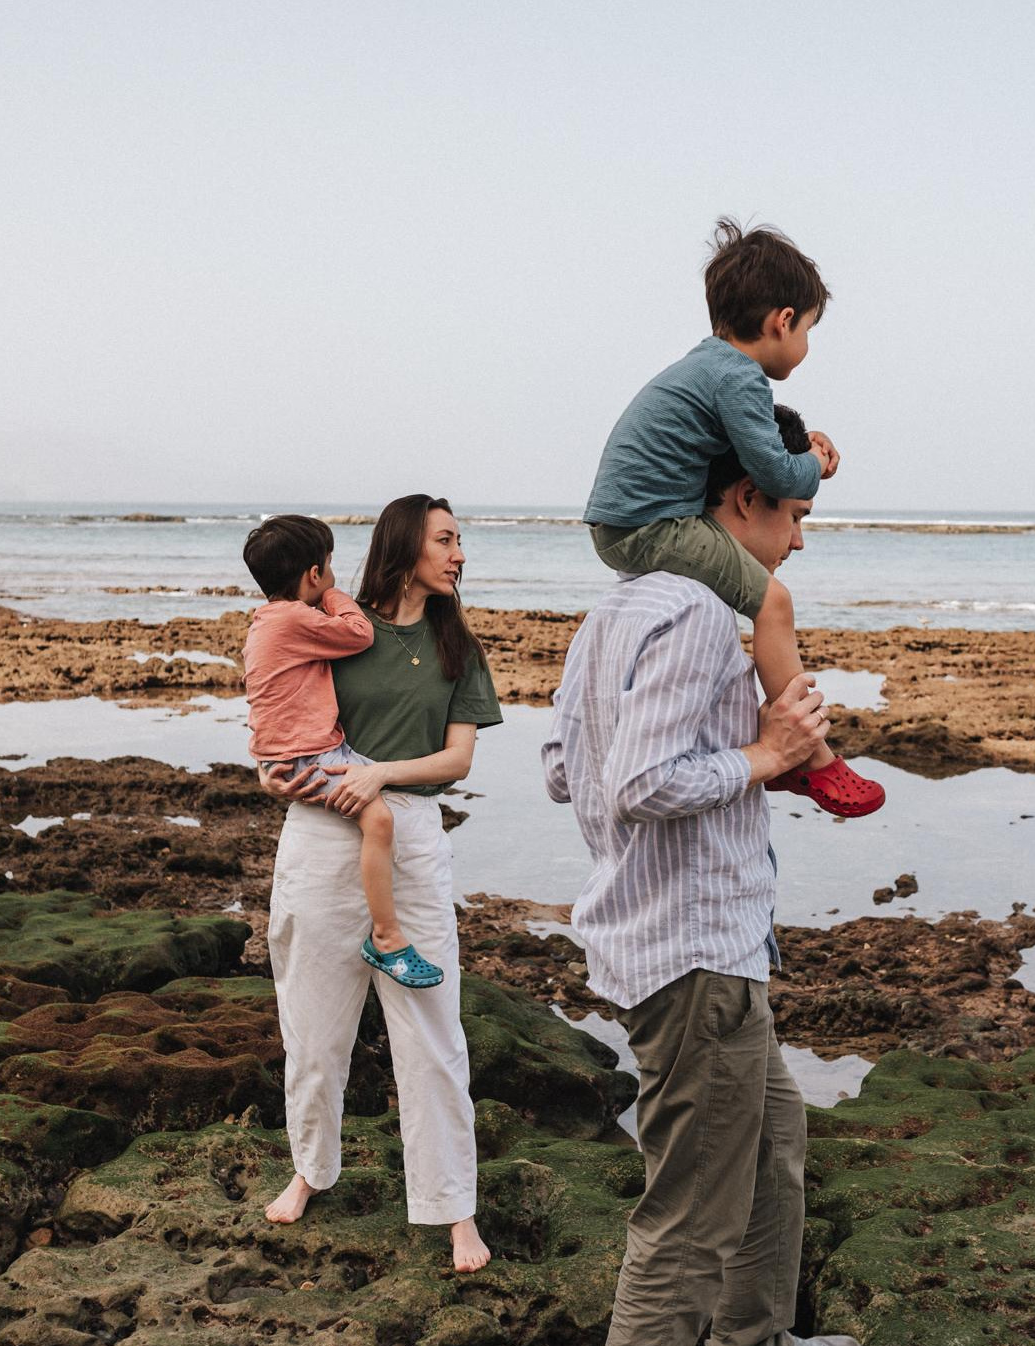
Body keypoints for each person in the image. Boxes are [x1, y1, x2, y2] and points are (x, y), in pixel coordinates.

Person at [543, 424, 833, 1345]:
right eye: (793, 513)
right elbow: (640, 783)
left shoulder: (616, 608)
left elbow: (563, 767)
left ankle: (758, 1335)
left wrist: (733, 736)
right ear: (742, 499)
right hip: (694, 952)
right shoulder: (704, 615)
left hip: (675, 940)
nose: (798, 540)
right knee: (690, 1219)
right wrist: (767, 751)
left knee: (776, 1148)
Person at [258, 495, 502, 1275]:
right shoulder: (338, 625)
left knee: (432, 1036)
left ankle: (452, 1208)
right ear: (404, 545)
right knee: (314, 1028)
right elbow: (278, 709)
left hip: (410, 838)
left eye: (459, 540)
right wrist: (283, 775)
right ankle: (309, 1170)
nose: (459, 553)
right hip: (322, 833)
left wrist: (382, 774)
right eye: (445, 539)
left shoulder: (456, 644)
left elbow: (457, 760)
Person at [583, 217, 883, 819]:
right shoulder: (738, 376)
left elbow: (754, 452)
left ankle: (780, 739)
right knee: (773, 603)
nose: (805, 346)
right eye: (809, 330)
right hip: (652, 524)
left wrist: (798, 451)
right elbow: (772, 474)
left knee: (762, 596)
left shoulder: (707, 367)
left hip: (623, 523)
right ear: (783, 320)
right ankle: (814, 757)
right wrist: (816, 465)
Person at [242, 514, 442, 989]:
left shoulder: (265, 622)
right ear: (314, 574)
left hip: (287, 753)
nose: (332, 575)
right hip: (308, 754)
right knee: (379, 819)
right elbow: (359, 632)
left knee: (375, 784)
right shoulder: (296, 618)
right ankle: (387, 937)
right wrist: (334, 595)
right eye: (328, 566)